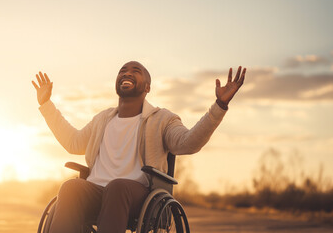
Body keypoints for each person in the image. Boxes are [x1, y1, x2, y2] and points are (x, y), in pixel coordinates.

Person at [32, 61, 246, 233]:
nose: (127, 73)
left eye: (136, 71)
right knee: (71, 187)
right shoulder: (103, 119)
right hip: (97, 192)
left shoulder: (162, 119)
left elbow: (188, 143)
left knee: (117, 187)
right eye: (122, 71)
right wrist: (46, 105)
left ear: (147, 87)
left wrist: (219, 106)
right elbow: (73, 142)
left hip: (138, 195)